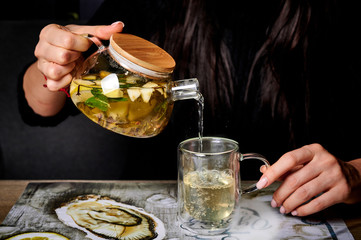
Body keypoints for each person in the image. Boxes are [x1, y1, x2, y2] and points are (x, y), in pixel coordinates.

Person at [21, 0, 361, 217]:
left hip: (293, 215)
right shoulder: (151, 6)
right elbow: (38, 106)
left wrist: (357, 175)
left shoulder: (335, 15)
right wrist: (53, 63)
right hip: (152, 215)